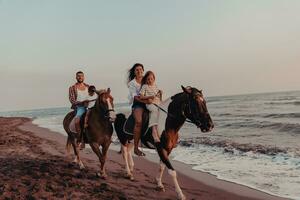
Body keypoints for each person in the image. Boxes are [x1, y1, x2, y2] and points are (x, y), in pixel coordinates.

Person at [127, 63, 146, 156]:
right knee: (138, 122)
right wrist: (145, 101)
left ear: (143, 70)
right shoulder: (132, 83)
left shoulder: (147, 79)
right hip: (138, 104)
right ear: (134, 72)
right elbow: (135, 97)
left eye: (140, 69)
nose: (139, 71)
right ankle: (135, 148)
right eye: (137, 70)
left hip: (149, 102)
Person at [139, 71, 162, 145]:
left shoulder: (155, 85)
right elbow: (141, 96)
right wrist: (149, 97)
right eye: (148, 79)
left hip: (157, 102)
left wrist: (160, 94)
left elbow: (158, 97)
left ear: (154, 79)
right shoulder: (144, 86)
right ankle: (154, 131)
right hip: (150, 103)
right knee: (154, 110)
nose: (150, 80)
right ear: (146, 80)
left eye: (151, 79)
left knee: (164, 111)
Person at [69, 71, 89, 147]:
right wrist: (81, 103)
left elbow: (93, 95)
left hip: (90, 106)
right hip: (80, 107)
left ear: (84, 77)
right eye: (78, 76)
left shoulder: (88, 86)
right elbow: (72, 100)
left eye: (81, 76)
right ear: (76, 77)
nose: (80, 77)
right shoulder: (72, 88)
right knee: (77, 121)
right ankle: (80, 139)